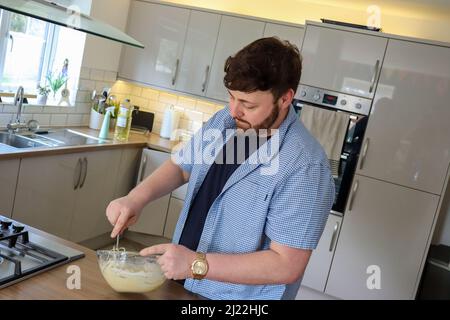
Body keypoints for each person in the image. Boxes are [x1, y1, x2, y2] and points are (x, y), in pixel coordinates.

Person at [106, 37, 335, 300]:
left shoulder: (305, 166)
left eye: (248, 104)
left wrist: (195, 264)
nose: (233, 109)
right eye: (231, 97)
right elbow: (183, 167)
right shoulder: (227, 121)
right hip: (183, 284)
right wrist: (135, 198)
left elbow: (287, 264)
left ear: (285, 99)